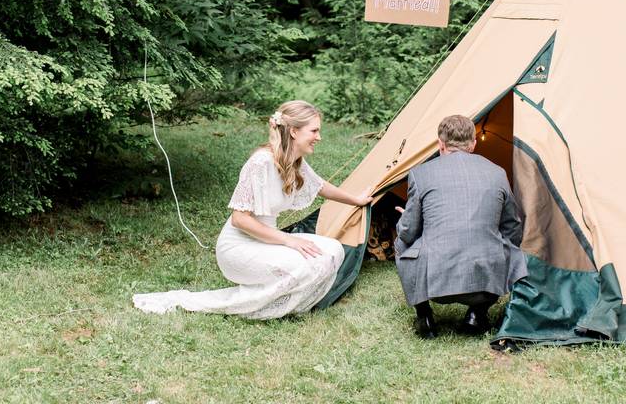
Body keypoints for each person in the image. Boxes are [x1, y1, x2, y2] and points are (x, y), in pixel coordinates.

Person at [133, 100, 372, 320]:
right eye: (314, 131)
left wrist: (356, 200)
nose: (319, 137)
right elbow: (239, 219)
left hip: (267, 240)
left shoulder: (293, 160)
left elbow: (320, 186)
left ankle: (292, 302)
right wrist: (288, 240)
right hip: (238, 248)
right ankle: (266, 306)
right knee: (308, 264)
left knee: (332, 250)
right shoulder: (261, 162)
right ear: (293, 131)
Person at [394, 114, 527, 338]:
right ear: (473, 144)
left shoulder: (420, 173)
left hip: (434, 285)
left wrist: (404, 221)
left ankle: (424, 315)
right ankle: (477, 313)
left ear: (441, 144)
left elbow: (409, 230)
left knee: (401, 243)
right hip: (484, 284)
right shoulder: (497, 172)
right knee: (511, 249)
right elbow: (512, 226)